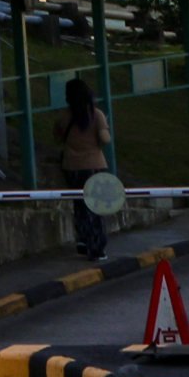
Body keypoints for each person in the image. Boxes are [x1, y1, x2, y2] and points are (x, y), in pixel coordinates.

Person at [57, 78, 115, 261]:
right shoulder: (96, 115)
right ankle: (97, 246)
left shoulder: (64, 117)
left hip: (71, 166)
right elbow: (105, 139)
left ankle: (82, 240)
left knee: (79, 204)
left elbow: (57, 136)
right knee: (95, 207)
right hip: (94, 165)